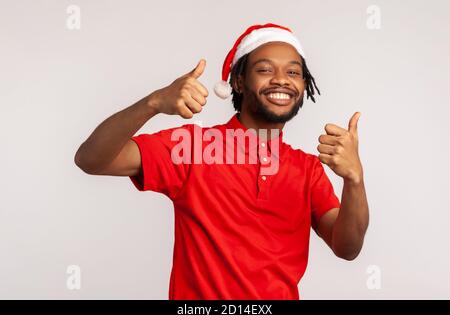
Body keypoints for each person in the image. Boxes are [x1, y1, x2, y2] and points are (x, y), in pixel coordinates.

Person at [74, 23, 369, 300]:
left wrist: (354, 180)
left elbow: (347, 247)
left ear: (304, 85)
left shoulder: (307, 169)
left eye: (293, 72)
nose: (281, 79)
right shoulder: (191, 148)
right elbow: (92, 159)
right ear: (239, 81)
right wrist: (153, 103)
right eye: (265, 69)